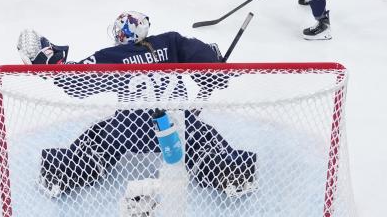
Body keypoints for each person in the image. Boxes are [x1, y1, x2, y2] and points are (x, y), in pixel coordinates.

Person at [16, 12, 258, 207]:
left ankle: (64, 170)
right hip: (175, 127)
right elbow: (202, 57)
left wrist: (50, 63)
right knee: (203, 137)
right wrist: (215, 70)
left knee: (98, 136)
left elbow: (78, 82)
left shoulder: (111, 55)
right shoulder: (171, 41)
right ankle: (231, 170)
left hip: (129, 130)